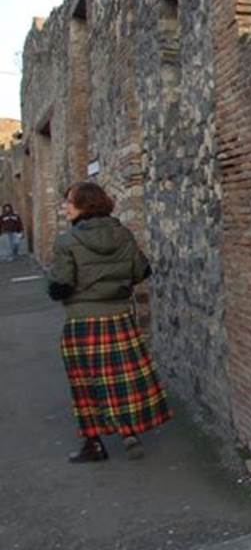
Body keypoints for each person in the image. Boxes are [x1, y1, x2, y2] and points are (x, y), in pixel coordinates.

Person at [46, 181, 172, 463]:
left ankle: (94, 444)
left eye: (69, 201)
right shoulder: (123, 235)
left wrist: (56, 286)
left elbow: (61, 287)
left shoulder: (66, 242)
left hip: (83, 322)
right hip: (119, 317)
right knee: (121, 380)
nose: (65, 206)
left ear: (84, 205)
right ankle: (129, 432)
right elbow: (142, 270)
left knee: (86, 384)